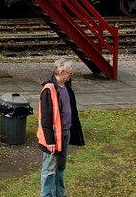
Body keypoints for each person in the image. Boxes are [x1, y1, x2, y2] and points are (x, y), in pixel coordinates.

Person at [37, 58, 85, 197]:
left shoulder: (66, 86)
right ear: (61, 72)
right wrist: (50, 141)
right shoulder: (48, 90)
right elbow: (45, 119)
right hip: (53, 137)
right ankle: (47, 195)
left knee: (61, 166)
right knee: (49, 168)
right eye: (69, 73)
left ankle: (59, 193)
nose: (71, 75)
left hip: (65, 132)